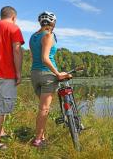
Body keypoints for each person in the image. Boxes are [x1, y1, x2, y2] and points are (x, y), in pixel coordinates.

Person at [0, 6, 24, 149]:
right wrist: (18, 73)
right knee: (0, 110)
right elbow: (17, 50)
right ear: (13, 17)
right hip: (4, 75)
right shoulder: (13, 28)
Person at [29, 11, 70, 147]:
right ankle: (38, 140)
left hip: (34, 74)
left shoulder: (33, 36)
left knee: (42, 108)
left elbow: (34, 57)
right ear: (53, 23)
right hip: (47, 75)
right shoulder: (48, 35)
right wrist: (58, 73)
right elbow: (45, 58)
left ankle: (42, 136)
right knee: (44, 109)